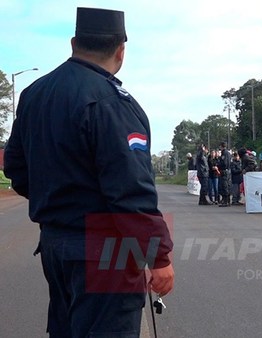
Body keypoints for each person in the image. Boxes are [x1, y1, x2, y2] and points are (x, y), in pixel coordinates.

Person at [3, 7, 174, 336]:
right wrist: (159, 256)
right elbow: (131, 191)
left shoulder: (34, 95)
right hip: (106, 249)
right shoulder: (113, 103)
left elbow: (17, 170)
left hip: (55, 244)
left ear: (73, 43)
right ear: (120, 51)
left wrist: (59, 197)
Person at [217, 142, 232, 207]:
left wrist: (218, 165)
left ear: (221, 146)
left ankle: (226, 201)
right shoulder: (228, 153)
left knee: (224, 186)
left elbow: (224, 163)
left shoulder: (224, 153)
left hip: (224, 171)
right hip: (228, 171)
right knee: (227, 185)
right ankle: (227, 200)